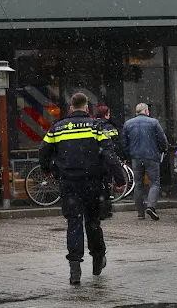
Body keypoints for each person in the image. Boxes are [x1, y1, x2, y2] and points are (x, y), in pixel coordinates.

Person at [39, 93, 126, 285]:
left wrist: (48, 170)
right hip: (94, 183)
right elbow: (109, 155)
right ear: (87, 108)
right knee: (93, 222)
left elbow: (43, 151)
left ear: (71, 108)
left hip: (69, 184)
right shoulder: (97, 126)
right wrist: (119, 180)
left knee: (74, 224)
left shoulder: (58, 128)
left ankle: (75, 269)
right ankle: (97, 258)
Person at [122, 102, 168, 221]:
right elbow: (162, 139)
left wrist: (129, 153)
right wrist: (163, 149)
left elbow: (124, 143)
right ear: (147, 111)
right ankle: (151, 207)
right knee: (154, 183)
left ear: (136, 112)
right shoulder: (154, 123)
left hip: (136, 158)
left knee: (138, 185)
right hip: (151, 157)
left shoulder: (128, 124)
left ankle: (140, 213)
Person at [95, 104, 125, 220]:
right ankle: (104, 211)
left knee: (97, 187)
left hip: (93, 162)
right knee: (105, 186)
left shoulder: (93, 125)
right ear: (106, 115)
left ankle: (96, 210)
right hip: (105, 162)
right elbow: (116, 145)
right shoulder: (109, 128)